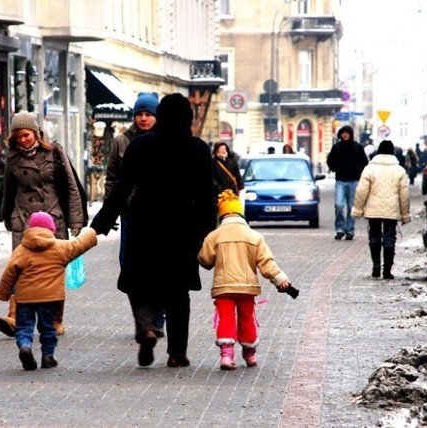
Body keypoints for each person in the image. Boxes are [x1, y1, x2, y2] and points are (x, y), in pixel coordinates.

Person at [90, 93, 216, 368]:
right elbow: (208, 194)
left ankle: (146, 328)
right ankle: (177, 353)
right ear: (187, 118)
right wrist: (209, 232)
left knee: (139, 281)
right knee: (177, 292)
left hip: (143, 224)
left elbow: (123, 187)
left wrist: (101, 222)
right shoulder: (198, 149)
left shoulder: (141, 145)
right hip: (183, 229)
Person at [0, 111, 88, 338]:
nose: (22, 140)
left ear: (35, 132)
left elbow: (71, 186)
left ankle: (55, 320)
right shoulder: (14, 159)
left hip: (52, 220)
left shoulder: (54, 153)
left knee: (52, 271)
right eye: (18, 137)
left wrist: (76, 220)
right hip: (24, 222)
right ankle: (14, 318)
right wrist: (8, 217)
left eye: (25, 135)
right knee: (20, 268)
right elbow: (9, 191)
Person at [198, 190, 290, 370]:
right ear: (241, 213)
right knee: (247, 318)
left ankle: (226, 356)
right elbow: (266, 262)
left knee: (225, 318)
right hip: (247, 288)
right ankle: (250, 355)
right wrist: (280, 279)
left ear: (222, 214)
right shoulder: (254, 236)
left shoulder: (215, 236)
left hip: (224, 287)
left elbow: (205, 260)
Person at [0, 211, 98, 370]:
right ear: (51, 229)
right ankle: (48, 356)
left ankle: (25, 345)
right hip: (50, 299)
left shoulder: (22, 249)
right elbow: (78, 245)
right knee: (47, 328)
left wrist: (3, 293)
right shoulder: (60, 247)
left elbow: (9, 272)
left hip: (24, 299)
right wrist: (92, 233)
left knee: (24, 326)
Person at [104, 92, 166, 337]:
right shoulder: (121, 142)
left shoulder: (166, 140)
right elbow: (112, 178)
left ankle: (158, 318)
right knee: (129, 266)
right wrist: (113, 208)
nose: (143, 118)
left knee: (159, 266)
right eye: (139, 114)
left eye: (148, 114)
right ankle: (143, 320)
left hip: (160, 216)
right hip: (130, 214)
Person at [352, 140, 411, 280]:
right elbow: (404, 195)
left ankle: (376, 266)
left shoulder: (369, 169)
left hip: (373, 209)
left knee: (374, 237)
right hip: (391, 210)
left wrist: (358, 209)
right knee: (389, 238)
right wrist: (405, 214)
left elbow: (361, 191)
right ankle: (387, 270)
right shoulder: (399, 170)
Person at [326, 125, 368, 241]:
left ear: (350, 134)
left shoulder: (357, 147)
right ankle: (340, 229)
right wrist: (335, 168)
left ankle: (350, 230)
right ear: (340, 134)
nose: (345, 134)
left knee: (351, 207)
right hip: (340, 180)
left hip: (354, 181)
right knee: (339, 205)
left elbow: (364, 162)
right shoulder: (337, 147)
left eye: (347, 132)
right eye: (343, 132)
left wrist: (358, 170)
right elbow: (330, 160)